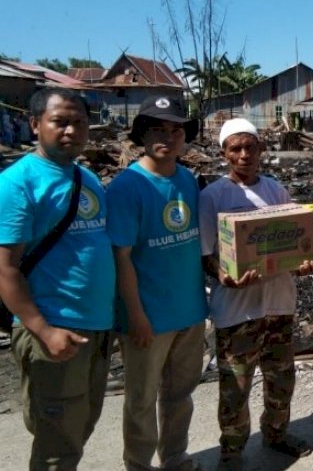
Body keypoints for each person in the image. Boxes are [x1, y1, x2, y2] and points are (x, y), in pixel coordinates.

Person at [0, 88, 116, 469]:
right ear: (35, 125)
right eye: (60, 121)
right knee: (57, 444)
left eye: (79, 122)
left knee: (79, 427)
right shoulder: (17, 183)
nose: (71, 130)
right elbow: (6, 269)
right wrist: (44, 330)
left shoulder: (87, 177)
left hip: (95, 327)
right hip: (55, 328)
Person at [198, 118, 313, 468]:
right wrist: (223, 276)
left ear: (261, 150)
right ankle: (232, 451)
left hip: (279, 302)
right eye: (236, 148)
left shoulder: (275, 190)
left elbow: (291, 240)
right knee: (235, 385)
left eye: (250, 146)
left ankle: (276, 434)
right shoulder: (212, 196)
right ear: (224, 153)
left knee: (281, 377)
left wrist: (301, 263)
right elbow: (206, 255)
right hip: (236, 308)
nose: (244, 154)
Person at [106, 96, 208, 471]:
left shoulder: (187, 180)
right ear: (142, 135)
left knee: (180, 394)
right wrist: (136, 315)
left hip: (190, 310)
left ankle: (175, 457)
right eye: (158, 129)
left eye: (175, 129)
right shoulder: (126, 187)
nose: (168, 136)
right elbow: (122, 258)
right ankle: (138, 464)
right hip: (147, 316)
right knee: (141, 399)